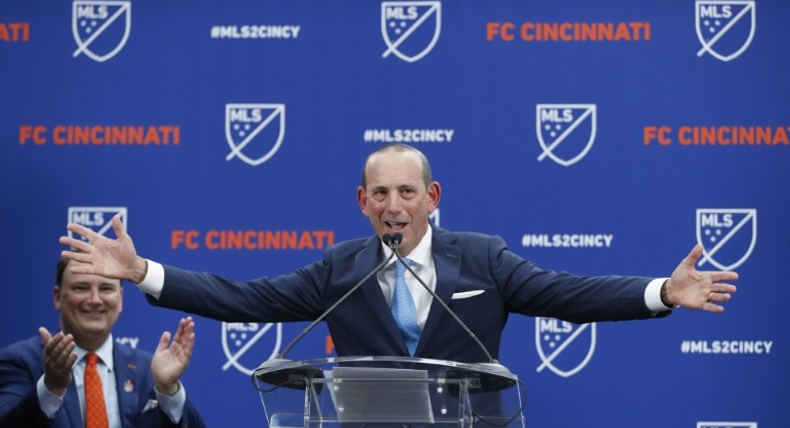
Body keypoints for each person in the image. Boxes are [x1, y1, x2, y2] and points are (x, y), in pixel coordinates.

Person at [57, 144, 737, 364]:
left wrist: (660, 292)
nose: (394, 205)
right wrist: (141, 272)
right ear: (362, 203)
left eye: (406, 192)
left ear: (431, 196)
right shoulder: (339, 269)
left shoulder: (485, 258)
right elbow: (246, 302)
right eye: (379, 193)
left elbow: (566, 294)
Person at [0, 255, 206, 428]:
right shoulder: (20, 361)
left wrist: (168, 390)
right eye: (81, 288)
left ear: (121, 299)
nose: (95, 299)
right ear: (57, 297)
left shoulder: (148, 370)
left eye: (106, 288)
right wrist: (50, 388)